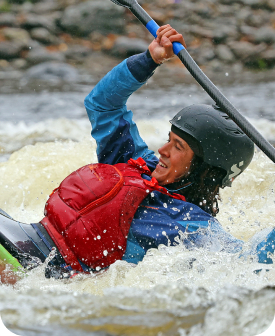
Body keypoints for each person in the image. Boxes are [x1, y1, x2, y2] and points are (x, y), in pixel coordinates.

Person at [1, 25, 274, 282]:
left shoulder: (193, 230)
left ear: (207, 170)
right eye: (170, 140)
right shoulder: (136, 162)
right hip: (28, 239)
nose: (163, 150)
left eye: (178, 147)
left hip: (41, 274)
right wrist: (149, 59)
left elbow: (247, 261)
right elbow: (102, 104)